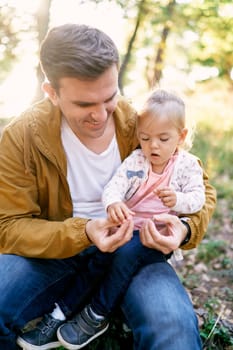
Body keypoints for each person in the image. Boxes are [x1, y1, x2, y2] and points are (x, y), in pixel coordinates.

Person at [0, 23, 216, 350]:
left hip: (134, 248)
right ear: (52, 93)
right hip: (56, 250)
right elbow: (9, 226)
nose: (101, 115)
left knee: (171, 327)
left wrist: (185, 230)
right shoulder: (21, 138)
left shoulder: (139, 121)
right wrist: (85, 232)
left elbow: (199, 182)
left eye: (109, 97)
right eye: (85, 105)